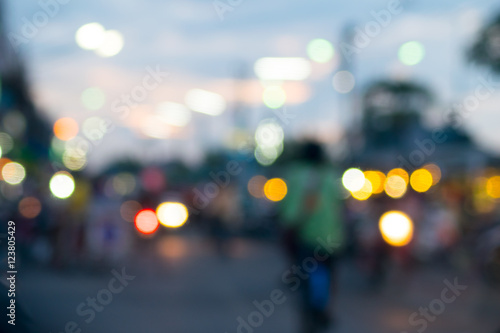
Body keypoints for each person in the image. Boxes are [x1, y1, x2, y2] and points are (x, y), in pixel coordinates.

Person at [280, 142, 345, 333]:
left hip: (306, 237)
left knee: (299, 267)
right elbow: (340, 205)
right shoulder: (332, 175)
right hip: (332, 238)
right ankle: (327, 309)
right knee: (332, 274)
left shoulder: (295, 174)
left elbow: (289, 211)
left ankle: (292, 272)